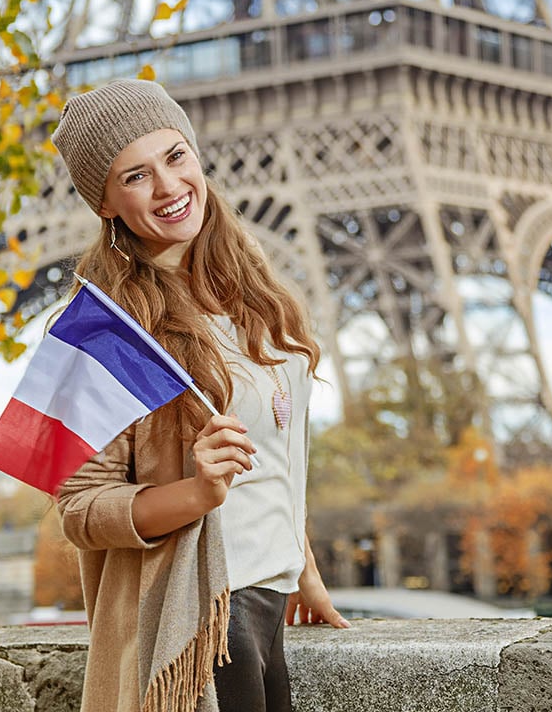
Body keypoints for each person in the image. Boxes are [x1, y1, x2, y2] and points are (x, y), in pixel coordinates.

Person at [52, 79, 349, 712]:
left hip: (266, 599)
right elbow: (79, 509)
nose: (167, 186)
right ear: (104, 203)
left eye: (175, 156)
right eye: (135, 175)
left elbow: (274, 460)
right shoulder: (109, 330)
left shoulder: (253, 292)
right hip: (206, 611)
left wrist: (305, 571)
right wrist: (196, 492)